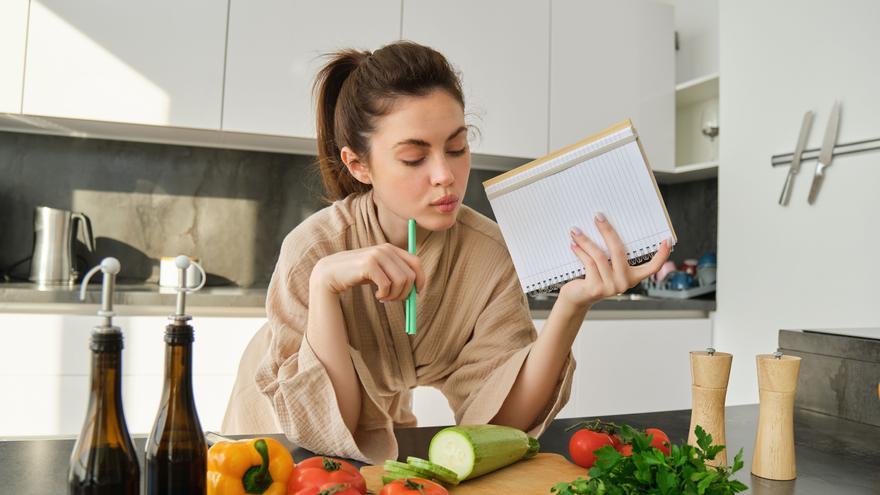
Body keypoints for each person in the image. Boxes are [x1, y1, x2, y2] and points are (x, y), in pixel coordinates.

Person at [222, 40, 670, 463]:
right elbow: (326, 424)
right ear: (359, 165)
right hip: (276, 426)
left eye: (457, 147)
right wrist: (323, 285)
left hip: (385, 412)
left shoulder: (489, 254)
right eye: (415, 158)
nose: (446, 175)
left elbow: (501, 423)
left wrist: (572, 305)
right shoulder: (311, 251)